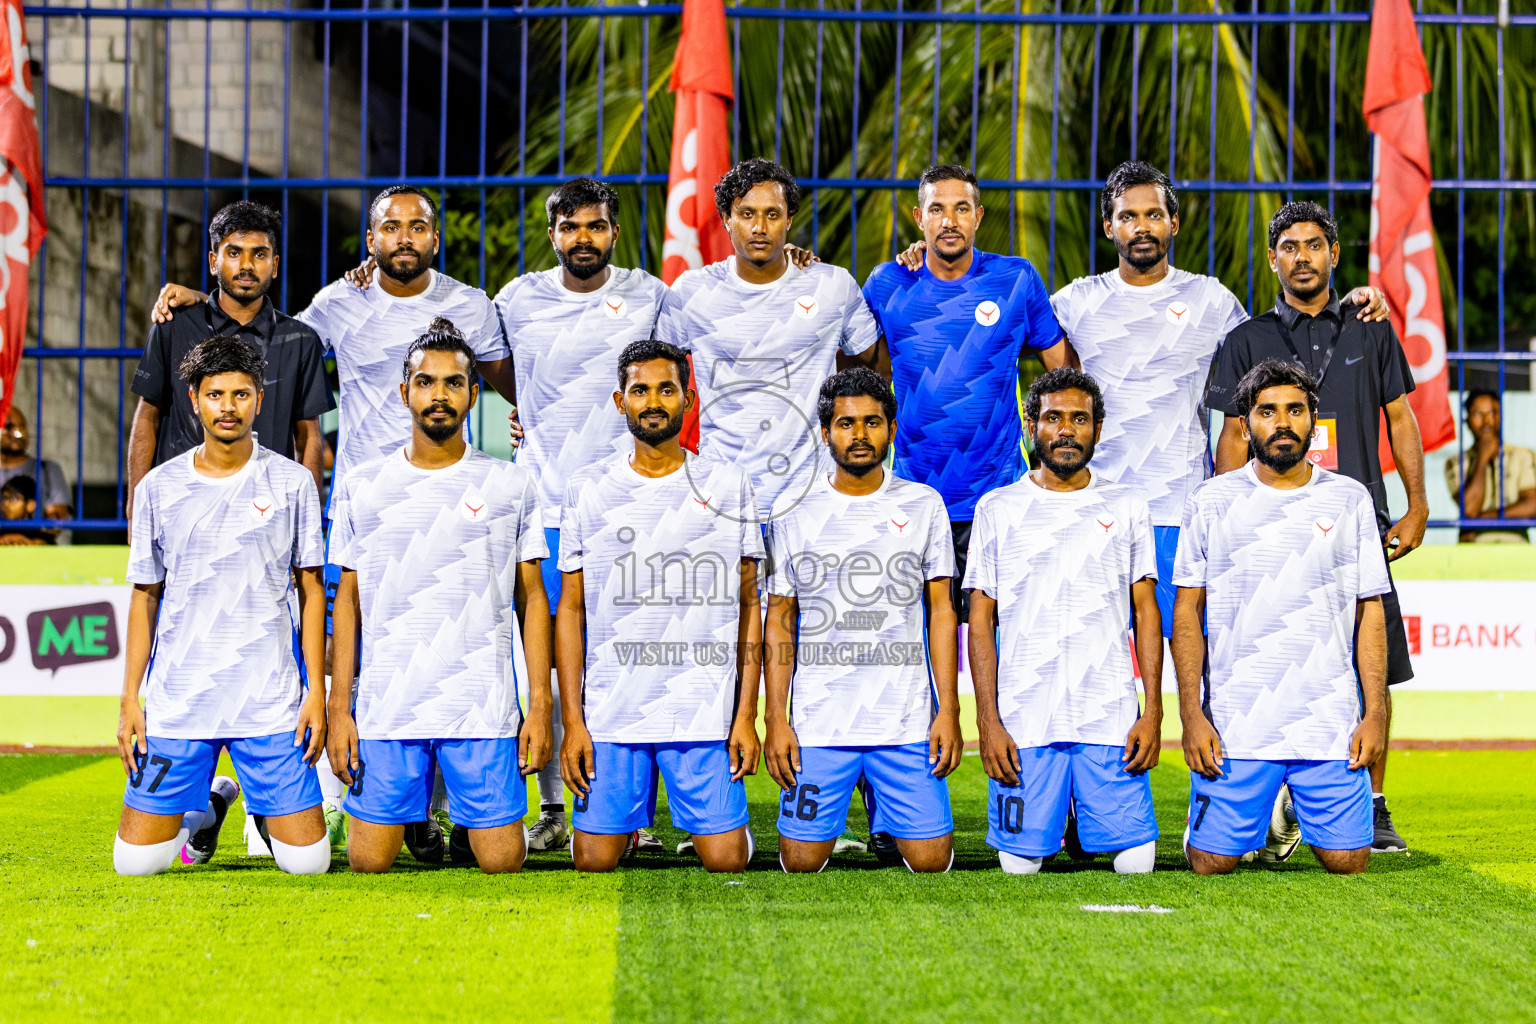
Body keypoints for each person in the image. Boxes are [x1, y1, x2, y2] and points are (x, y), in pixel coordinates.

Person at [156, 186, 520, 860]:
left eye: (418, 227)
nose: (404, 237)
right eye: (390, 226)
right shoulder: (339, 302)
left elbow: (509, 378)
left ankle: (427, 813)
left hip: (452, 511)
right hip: (364, 508)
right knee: (334, 656)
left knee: (442, 651)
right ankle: (284, 801)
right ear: (372, 240)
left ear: (435, 239)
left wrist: (527, 417)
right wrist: (197, 308)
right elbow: (265, 342)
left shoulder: (470, 304)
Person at [1049, 162, 1389, 636]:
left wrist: (1349, 304)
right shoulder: (1073, 301)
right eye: (1128, 216)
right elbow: (999, 338)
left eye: (1154, 214)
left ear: (1174, 223)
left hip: (1182, 509)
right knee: (1092, 653)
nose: (1142, 226)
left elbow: (1279, 350)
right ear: (1109, 227)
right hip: (1095, 507)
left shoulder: (1211, 300)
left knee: (1196, 657)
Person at [1209, 201, 1423, 854]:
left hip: (1355, 523)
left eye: (1314, 245)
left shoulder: (1370, 327)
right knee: (1260, 654)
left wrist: (1416, 506)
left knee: (1370, 662)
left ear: (1334, 254)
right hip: (1269, 530)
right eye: (1289, 247)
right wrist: (1224, 514)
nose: (1302, 256)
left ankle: (1375, 801)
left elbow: (1402, 419)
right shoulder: (1246, 340)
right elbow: (1232, 436)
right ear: (1273, 260)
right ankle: (1262, 793)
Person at [324, 318, 552, 875]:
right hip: (389, 710)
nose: (439, 395)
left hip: (481, 709)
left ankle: (448, 817)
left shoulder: (511, 483)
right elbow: (346, 601)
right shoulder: (361, 485)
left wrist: (540, 703)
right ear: (405, 393)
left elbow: (534, 601)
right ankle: (422, 815)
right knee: (367, 862)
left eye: (454, 383)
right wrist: (339, 705)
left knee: (503, 862)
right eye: (426, 382)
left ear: (474, 394)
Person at [492, 177, 671, 854]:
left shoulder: (649, 295)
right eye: (571, 228)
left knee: (629, 657)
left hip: (629, 506)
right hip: (542, 507)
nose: (583, 239)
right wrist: (530, 413)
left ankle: (639, 815)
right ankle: (553, 809)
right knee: (542, 664)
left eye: (595, 227)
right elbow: (488, 363)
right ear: (552, 234)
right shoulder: (517, 300)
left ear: (614, 233)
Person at [112, 335, 330, 877]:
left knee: (308, 864)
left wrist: (316, 691)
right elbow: (145, 595)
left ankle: (248, 808)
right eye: (215, 395)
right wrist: (129, 700)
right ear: (194, 399)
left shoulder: (293, 482)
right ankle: (207, 811)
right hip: (181, 700)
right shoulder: (159, 488)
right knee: (136, 864)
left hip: (269, 700)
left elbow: (311, 592)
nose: (227, 407)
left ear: (259, 399)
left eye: (239, 394)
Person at [1174, 359, 1389, 876]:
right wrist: (1191, 714)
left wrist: (1376, 712)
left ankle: (1288, 811)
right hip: (1238, 725)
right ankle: (1233, 815)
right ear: (1245, 425)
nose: (1283, 422)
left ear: (1314, 420)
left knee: (1348, 862)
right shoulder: (1212, 501)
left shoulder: (1349, 499)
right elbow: (1186, 613)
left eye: (1295, 409)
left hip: (1327, 723)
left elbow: (1371, 614)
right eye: (1267, 411)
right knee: (1210, 864)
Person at [557, 340, 763, 873]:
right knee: (593, 862)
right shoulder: (587, 489)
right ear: (619, 401)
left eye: (666, 389)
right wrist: (574, 722)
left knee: (727, 862)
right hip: (613, 714)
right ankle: (622, 821)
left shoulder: (728, 484)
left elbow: (749, 605)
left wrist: (745, 716)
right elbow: (572, 611)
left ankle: (725, 829)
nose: (653, 401)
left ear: (688, 400)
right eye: (639, 390)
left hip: (701, 713)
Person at [964, 367, 1162, 875]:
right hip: (1027, 720)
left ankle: (1081, 808)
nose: (1067, 430)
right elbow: (980, 622)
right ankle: (1060, 812)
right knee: (1019, 866)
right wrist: (988, 722)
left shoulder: (1127, 504)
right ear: (1032, 426)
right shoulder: (997, 508)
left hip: (1109, 718)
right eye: (1054, 418)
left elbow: (1146, 611)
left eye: (1080, 418)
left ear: (1097, 428)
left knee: (1136, 865)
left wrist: (1154, 711)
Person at [763, 368, 960, 874]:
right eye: (846, 423)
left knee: (932, 862)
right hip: (819, 723)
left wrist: (948, 711)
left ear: (891, 431)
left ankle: (892, 811)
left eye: (873, 422)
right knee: (800, 863)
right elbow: (781, 617)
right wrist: (778, 717)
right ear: (825, 432)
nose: (860, 435)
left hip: (904, 722)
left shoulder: (923, 505)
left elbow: (942, 610)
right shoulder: (792, 510)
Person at [860, 165, 1074, 627]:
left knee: (1000, 641)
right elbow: (863, 382)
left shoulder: (1016, 279)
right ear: (920, 217)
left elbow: (1065, 375)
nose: (949, 221)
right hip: (914, 500)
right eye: (937, 209)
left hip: (998, 499)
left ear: (979, 216)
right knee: (915, 641)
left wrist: (1045, 456)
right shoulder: (888, 283)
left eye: (961, 209)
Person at [655, 158, 879, 519]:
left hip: (812, 495)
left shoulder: (831, 285)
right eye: (747, 214)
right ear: (726, 218)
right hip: (720, 494)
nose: (759, 227)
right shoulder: (690, 293)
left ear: (789, 219)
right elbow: (653, 379)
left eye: (772, 215)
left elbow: (875, 368)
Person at [130, 201, 331, 513]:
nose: (247, 264)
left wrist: (306, 520)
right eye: (234, 253)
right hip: (181, 507)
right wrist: (136, 505)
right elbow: (147, 417)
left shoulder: (300, 340)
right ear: (214, 261)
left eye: (259, 254)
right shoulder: (174, 326)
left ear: (275, 264)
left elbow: (309, 439)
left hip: (267, 510)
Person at [1445, 389, 1536, 542]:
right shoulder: (1456, 463)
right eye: (1478, 414)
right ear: (1467, 420)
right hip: (1474, 547)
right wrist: (1482, 458)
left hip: (1516, 545)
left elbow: (1532, 506)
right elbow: (1469, 509)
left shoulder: (1522, 456)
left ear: (1501, 417)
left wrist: (1484, 518)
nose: (1487, 421)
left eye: (1493, 412)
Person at [1, 407, 71, 520]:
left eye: (22, 426)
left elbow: (57, 520)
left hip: (35, 538)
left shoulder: (47, 469)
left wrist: (25, 538)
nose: (18, 433)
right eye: (9, 427)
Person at [0, 475, 48, 545]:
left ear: (30, 505)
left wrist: (32, 543)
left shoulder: (41, 537)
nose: (4, 503)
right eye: (4, 498)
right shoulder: (2, 532)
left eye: (13, 499)